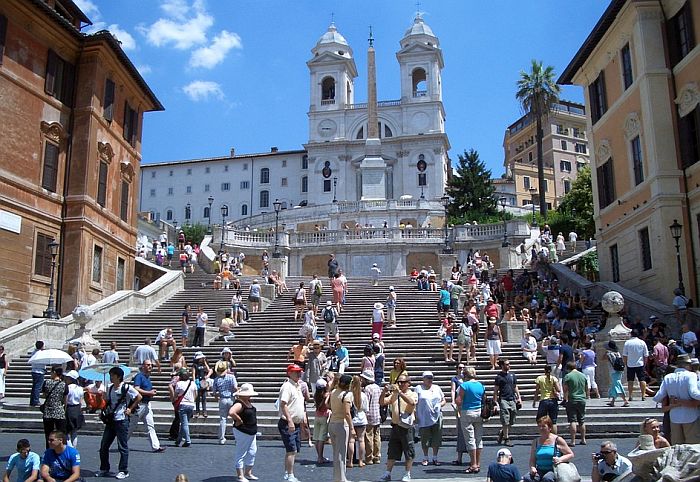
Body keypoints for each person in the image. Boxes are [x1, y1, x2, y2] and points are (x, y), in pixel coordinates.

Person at [98, 367, 141, 479]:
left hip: (122, 420)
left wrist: (130, 409)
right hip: (111, 420)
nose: (110, 377)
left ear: (118, 376)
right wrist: (104, 400)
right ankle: (104, 468)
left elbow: (138, 397)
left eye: (112, 375)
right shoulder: (111, 387)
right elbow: (109, 403)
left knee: (122, 446)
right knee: (104, 446)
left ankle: (123, 470)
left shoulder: (126, 387)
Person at [652, 353, 700, 444]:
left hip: (674, 417)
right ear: (687, 365)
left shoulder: (668, 377)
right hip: (690, 415)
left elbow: (658, 396)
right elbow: (694, 393)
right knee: (693, 446)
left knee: (677, 446)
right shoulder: (691, 375)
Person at [379, 374, 417, 482]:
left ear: (408, 383)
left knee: (409, 451)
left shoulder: (412, 394)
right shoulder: (394, 395)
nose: (400, 384)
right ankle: (387, 473)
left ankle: (407, 473)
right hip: (395, 426)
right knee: (392, 450)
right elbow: (382, 402)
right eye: (398, 382)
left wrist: (400, 393)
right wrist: (384, 392)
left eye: (403, 382)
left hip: (406, 427)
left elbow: (412, 402)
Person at [523, 416, 574, 482]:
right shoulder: (535, 441)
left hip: (554, 469)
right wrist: (532, 467)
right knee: (527, 478)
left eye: (543, 426)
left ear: (550, 427)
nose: (541, 428)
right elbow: (532, 459)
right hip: (540, 469)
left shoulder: (558, 440)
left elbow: (570, 454)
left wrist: (560, 459)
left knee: (547, 478)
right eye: (539, 426)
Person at [278, 364, 306, 482]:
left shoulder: (297, 386)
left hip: (296, 423)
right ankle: (289, 474)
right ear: (289, 373)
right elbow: (283, 404)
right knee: (291, 450)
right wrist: (290, 421)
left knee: (294, 450)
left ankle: (287, 472)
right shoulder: (287, 386)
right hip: (288, 422)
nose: (298, 374)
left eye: (299, 371)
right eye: (295, 372)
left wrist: (303, 420)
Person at [129, 361, 164, 452]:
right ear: (143, 366)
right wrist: (149, 392)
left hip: (147, 404)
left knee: (150, 426)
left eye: (151, 365)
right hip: (139, 405)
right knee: (131, 426)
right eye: (148, 365)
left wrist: (150, 393)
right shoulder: (139, 376)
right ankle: (122, 442)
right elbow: (136, 389)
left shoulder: (147, 378)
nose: (150, 366)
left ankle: (156, 446)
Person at [229, 383, 259, 482]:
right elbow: (231, 412)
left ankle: (248, 473)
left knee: (252, 451)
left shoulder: (247, 402)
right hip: (243, 431)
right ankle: (240, 475)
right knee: (241, 452)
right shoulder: (239, 403)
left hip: (251, 431)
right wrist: (239, 420)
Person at [414, 371, 445, 466]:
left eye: (431, 378)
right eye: (427, 378)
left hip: (437, 416)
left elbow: (443, 400)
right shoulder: (418, 388)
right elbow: (414, 402)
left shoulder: (437, 388)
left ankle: (435, 457)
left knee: (437, 437)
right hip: (424, 417)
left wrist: (440, 404)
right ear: (423, 379)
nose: (430, 380)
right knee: (425, 438)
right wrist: (415, 416)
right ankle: (425, 457)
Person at [327, 374, 354, 481]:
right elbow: (347, 413)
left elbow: (328, 405)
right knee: (342, 453)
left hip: (332, 423)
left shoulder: (333, 392)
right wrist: (352, 428)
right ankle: (342, 478)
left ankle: (337, 477)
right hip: (341, 425)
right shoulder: (347, 395)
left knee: (336, 452)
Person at [494, 358, 521, 448]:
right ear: (502, 366)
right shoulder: (499, 377)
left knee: (511, 419)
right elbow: (496, 390)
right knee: (505, 419)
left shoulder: (512, 375)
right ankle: (506, 438)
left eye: (509, 364)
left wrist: (519, 397)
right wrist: (495, 402)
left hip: (512, 399)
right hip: (503, 399)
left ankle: (502, 432)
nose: (508, 366)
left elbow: (515, 386)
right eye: (506, 364)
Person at [562, 361, 589, 446]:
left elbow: (565, 389)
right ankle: (583, 439)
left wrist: (565, 399)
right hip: (582, 399)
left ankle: (573, 441)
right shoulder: (583, 375)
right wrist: (586, 396)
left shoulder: (568, 376)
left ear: (568, 368)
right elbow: (586, 388)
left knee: (572, 420)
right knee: (581, 420)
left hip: (572, 399)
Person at [41, 366, 68, 449]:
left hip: (48, 412)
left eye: (51, 372)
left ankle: (49, 451)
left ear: (54, 372)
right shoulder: (64, 385)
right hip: (59, 412)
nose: (50, 373)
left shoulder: (47, 382)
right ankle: (62, 450)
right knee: (61, 434)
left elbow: (44, 395)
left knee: (48, 435)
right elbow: (65, 400)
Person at [212, 361, 238, 445]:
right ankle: (237, 438)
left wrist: (217, 398)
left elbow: (214, 392)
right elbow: (235, 387)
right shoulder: (231, 377)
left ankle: (222, 438)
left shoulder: (216, 379)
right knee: (234, 419)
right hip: (231, 398)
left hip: (222, 399)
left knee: (223, 419)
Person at [362, 369, 382, 466]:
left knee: (368, 437)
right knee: (377, 436)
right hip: (377, 414)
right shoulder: (377, 387)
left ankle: (369, 457)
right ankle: (377, 456)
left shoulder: (367, 389)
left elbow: (365, 403)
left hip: (369, 415)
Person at [532, 365, 561, 434]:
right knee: (553, 421)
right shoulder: (554, 378)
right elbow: (559, 389)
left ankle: (544, 434)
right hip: (553, 400)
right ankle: (554, 438)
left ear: (544, 370)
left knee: (540, 419)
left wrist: (534, 401)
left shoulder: (540, 378)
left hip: (544, 400)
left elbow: (537, 391)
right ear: (551, 370)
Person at [348, 375, 368, 468]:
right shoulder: (363, 395)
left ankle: (350, 461)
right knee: (361, 440)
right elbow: (366, 409)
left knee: (351, 441)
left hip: (352, 419)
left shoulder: (349, 395)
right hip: (361, 418)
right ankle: (360, 461)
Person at [622, 329, 649, 401]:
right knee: (642, 380)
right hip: (640, 363)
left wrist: (625, 363)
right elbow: (646, 355)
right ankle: (643, 395)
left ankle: (630, 395)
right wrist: (645, 364)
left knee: (630, 380)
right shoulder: (642, 342)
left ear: (631, 334)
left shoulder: (627, 343)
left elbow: (625, 355)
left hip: (630, 364)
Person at [173, 368, 197, 448]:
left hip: (182, 404)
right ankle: (178, 440)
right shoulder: (192, 383)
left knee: (184, 423)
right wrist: (192, 400)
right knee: (184, 423)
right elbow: (195, 394)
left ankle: (187, 440)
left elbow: (176, 395)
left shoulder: (179, 384)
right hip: (191, 405)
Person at [63, 371, 84, 449]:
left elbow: (65, 400)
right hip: (77, 408)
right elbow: (81, 401)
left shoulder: (67, 388)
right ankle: (73, 448)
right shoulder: (80, 388)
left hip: (69, 408)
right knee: (74, 431)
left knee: (66, 431)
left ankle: (70, 447)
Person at [605, 341, 629, 407]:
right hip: (619, 370)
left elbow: (602, 359)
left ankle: (625, 400)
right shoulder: (617, 353)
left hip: (613, 371)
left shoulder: (609, 354)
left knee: (617, 385)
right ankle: (612, 401)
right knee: (614, 386)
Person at [192, 352, 212, 418]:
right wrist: (194, 381)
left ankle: (204, 411)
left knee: (204, 397)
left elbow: (209, 370)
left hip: (203, 380)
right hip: (198, 380)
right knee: (197, 398)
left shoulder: (203, 364)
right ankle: (197, 411)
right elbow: (193, 374)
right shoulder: (195, 365)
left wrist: (205, 362)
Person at [29, 341, 45, 407]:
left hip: (34, 370)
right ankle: (36, 400)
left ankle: (32, 400)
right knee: (38, 387)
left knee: (34, 386)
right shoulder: (41, 353)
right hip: (39, 371)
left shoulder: (34, 352)